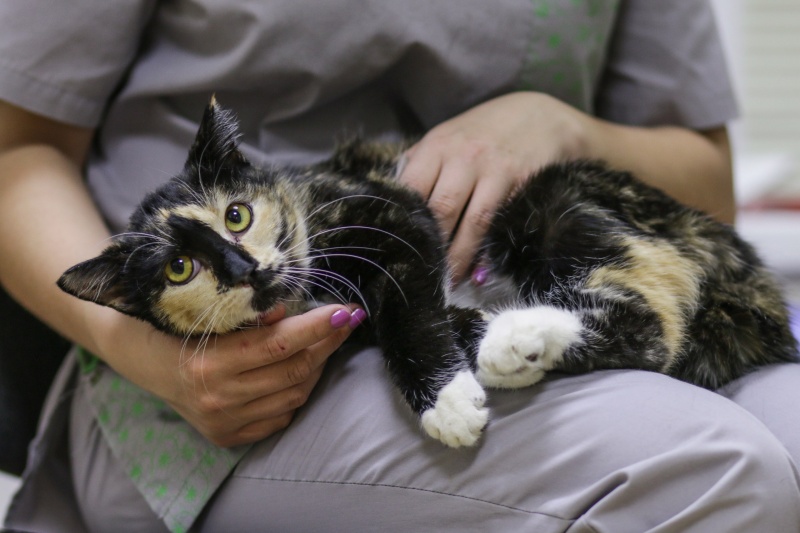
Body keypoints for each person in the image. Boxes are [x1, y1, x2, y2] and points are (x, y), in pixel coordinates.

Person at [1, 1, 799, 531]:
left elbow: (708, 183)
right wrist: (143, 350)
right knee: (711, 469)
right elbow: (15, 154)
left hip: (529, 297)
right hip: (206, 378)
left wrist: (563, 127)